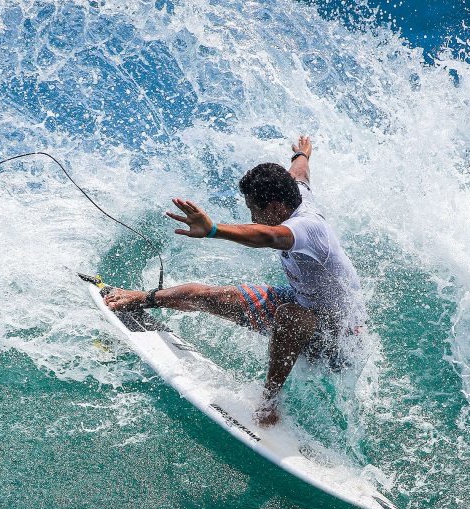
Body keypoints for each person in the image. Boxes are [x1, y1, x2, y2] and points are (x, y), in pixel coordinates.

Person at [103, 136, 366, 426]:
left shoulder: (307, 227)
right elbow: (300, 174)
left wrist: (213, 229)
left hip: (339, 339)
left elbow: (267, 236)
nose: (252, 214)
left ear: (277, 206)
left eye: (255, 208)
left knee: (292, 316)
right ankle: (142, 298)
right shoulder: (296, 193)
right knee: (215, 297)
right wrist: (301, 154)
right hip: (303, 302)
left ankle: (269, 402)